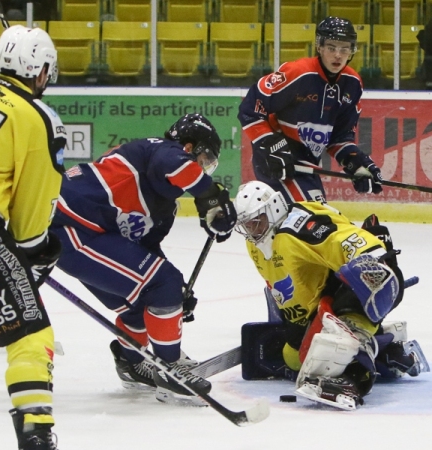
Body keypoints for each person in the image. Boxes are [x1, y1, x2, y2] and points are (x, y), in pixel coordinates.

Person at [50, 113, 237, 405]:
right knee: (162, 284)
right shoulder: (157, 149)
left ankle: (132, 363)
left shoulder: (164, 209)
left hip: (91, 233)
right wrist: (210, 195)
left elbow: (146, 252)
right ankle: (170, 368)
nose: (204, 169)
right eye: (205, 159)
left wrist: (176, 294)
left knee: (148, 296)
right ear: (189, 148)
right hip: (69, 225)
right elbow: (174, 165)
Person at [233, 180, 428, 409]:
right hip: (314, 306)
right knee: (295, 359)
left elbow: (346, 242)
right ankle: (387, 350)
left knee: (332, 349)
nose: (252, 230)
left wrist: (372, 259)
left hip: (353, 285)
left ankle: (353, 378)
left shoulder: (299, 228)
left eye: (257, 222)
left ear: (274, 208)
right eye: (247, 225)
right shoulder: (255, 243)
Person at [0, 25, 65, 449]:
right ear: (41, 70)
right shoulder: (36, 118)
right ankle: (35, 432)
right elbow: (35, 199)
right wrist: (33, 249)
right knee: (29, 335)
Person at [237, 16, 383, 204]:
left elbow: (339, 137)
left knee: (313, 219)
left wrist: (356, 163)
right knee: (312, 218)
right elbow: (250, 108)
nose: (338, 55)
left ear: (352, 50)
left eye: (344, 48)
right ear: (319, 47)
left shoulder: (353, 84)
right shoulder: (298, 73)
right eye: (331, 48)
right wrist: (270, 145)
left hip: (307, 162)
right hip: (275, 158)